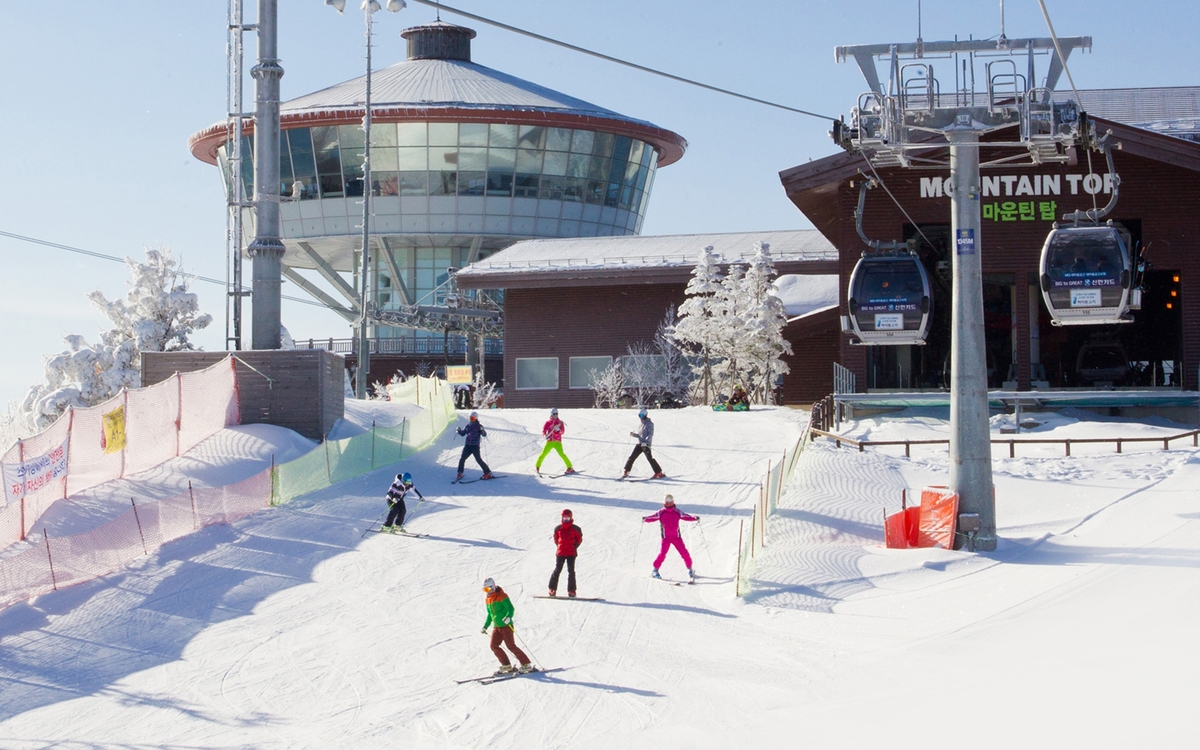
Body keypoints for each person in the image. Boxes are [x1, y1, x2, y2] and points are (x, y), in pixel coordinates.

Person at [481, 577, 534, 674]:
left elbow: (510, 608)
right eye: (484, 589)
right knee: (493, 645)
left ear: (492, 587)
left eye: (487, 589)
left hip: (506, 626)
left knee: (511, 646)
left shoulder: (502, 596)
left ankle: (526, 664)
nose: (486, 591)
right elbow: (490, 614)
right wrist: (485, 626)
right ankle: (506, 665)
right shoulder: (488, 599)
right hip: (496, 627)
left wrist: (508, 617)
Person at [643, 495, 699, 580]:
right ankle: (655, 570)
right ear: (664, 502)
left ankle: (690, 569)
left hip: (676, 537)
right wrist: (646, 519)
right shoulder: (661, 512)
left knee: (684, 553)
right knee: (662, 554)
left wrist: (694, 518)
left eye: (670, 501)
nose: (669, 503)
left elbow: (686, 516)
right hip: (666, 538)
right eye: (667, 502)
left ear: (673, 502)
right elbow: (653, 517)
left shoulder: (677, 512)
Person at [548, 508, 583, 597]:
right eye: (564, 518)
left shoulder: (576, 529)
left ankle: (571, 590)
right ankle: (552, 588)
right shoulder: (558, 528)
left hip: (571, 553)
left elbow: (579, 539)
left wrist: (574, 547)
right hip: (561, 553)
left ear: (571, 518)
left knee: (571, 571)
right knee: (557, 570)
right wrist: (560, 546)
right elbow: (556, 540)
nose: (566, 520)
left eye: (567, 518)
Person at [623, 408, 664, 479]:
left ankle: (658, 472)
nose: (640, 417)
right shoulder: (641, 424)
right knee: (632, 457)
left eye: (641, 415)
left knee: (650, 458)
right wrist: (634, 435)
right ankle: (626, 470)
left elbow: (650, 434)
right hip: (640, 444)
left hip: (646, 445)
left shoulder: (650, 424)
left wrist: (646, 442)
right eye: (639, 415)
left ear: (645, 415)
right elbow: (640, 435)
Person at [535, 408, 576, 476]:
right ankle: (537, 466)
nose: (555, 416)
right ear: (551, 414)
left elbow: (562, 432)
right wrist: (545, 435)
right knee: (543, 454)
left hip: (557, 442)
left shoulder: (560, 423)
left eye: (556, 414)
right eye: (554, 414)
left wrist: (558, 430)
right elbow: (544, 430)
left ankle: (570, 467)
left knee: (562, 454)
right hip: (550, 441)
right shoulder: (548, 423)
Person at [456, 411, 493, 480]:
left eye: (473, 418)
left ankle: (488, 472)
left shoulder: (479, 426)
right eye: (470, 418)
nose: (471, 419)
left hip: (475, 446)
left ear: (476, 418)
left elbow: (484, 435)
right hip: (467, 446)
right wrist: (459, 430)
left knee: (478, 460)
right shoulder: (467, 426)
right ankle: (460, 473)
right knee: (462, 459)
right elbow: (463, 434)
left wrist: (483, 431)